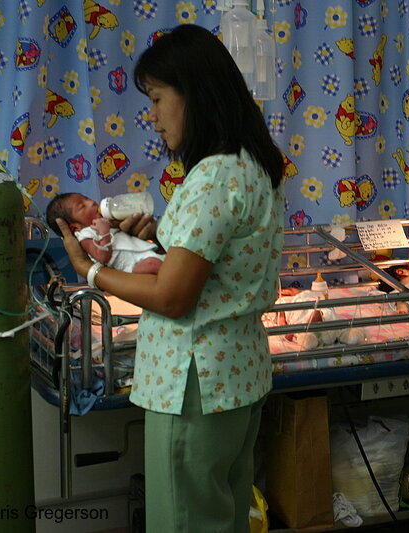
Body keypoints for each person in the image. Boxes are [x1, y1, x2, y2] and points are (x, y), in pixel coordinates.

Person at [53, 24, 284, 533]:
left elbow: (172, 297)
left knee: (184, 522)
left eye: (157, 99)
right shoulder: (251, 165)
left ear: (194, 94)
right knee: (223, 517)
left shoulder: (214, 176)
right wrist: (159, 239)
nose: (151, 117)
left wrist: (92, 270)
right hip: (236, 378)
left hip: (194, 384)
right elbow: (212, 264)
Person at [46, 192, 164, 275]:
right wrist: (104, 232)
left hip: (144, 254)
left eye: (87, 198)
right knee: (153, 264)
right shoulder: (85, 235)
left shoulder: (105, 222)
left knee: (165, 259)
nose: (91, 202)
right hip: (132, 266)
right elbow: (102, 257)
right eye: (82, 206)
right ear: (75, 227)